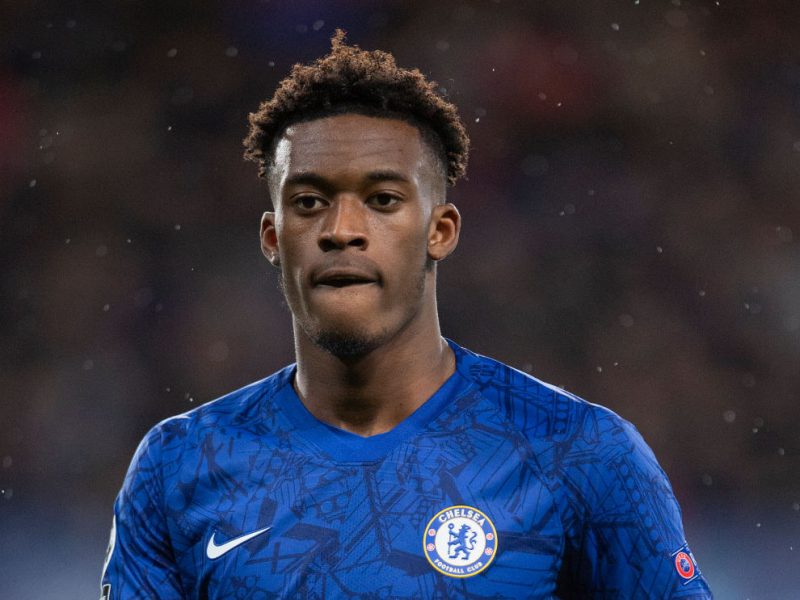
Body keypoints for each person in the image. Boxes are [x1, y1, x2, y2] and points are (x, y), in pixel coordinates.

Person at [100, 31, 713, 599]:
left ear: (439, 230)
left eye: (383, 200)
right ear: (272, 237)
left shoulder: (577, 453)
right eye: (309, 202)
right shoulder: (179, 466)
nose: (342, 230)